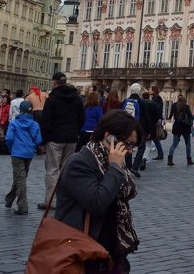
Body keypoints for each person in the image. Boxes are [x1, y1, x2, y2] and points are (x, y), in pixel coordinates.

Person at [53, 110, 142, 273]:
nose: (129, 151)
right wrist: (115, 167)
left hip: (111, 255)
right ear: (108, 136)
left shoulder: (111, 162)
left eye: (133, 146)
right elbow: (97, 203)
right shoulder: (79, 163)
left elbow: (129, 191)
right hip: (83, 253)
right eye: (127, 144)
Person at [40, 71, 85, 210]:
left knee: (53, 169)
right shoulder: (76, 98)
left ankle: (50, 201)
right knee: (66, 169)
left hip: (55, 138)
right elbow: (82, 118)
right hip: (71, 138)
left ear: (54, 82)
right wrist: (75, 131)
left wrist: (43, 140)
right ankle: (64, 200)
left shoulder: (53, 98)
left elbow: (46, 121)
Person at [5, 100, 43, 215]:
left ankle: (23, 206)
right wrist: (32, 146)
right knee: (21, 177)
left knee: (20, 178)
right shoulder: (34, 124)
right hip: (29, 154)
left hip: (17, 153)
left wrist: (11, 148)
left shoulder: (14, 123)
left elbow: (9, 138)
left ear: (20, 111)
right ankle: (9, 199)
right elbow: (39, 140)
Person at [167, 95, 194, 166]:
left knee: (174, 144)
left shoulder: (174, 105)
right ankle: (189, 159)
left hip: (177, 126)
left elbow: (171, 115)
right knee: (188, 144)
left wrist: (170, 118)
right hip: (185, 127)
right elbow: (190, 116)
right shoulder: (186, 107)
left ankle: (170, 159)